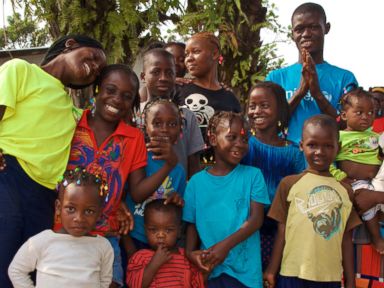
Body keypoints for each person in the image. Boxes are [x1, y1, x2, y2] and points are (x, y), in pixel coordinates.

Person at [0, 34, 107, 287]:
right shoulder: (21, 70)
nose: (94, 68)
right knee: (3, 260)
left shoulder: (71, 108)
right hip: (10, 174)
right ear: (70, 44)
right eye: (92, 57)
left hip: (46, 194)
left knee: (31, 270)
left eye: (97, 72)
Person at [66, 64, 179, 287]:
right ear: (97, 89)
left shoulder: (133, 137)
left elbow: (137, 193)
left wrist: (169, 165)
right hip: (64, 231)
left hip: (106, 235)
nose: (117, 99)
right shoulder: (72, 123)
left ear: (133, 103)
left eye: (127, 96)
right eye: (110, 90)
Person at [263, 114, 361, 288]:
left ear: (338, 148)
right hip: (292, 273)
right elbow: (282, 230)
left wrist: (351, 281)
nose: (319, 152)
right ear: (301, 146)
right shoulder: (289, 184)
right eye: (312, 145)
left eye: (328, 146)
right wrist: (271, 270)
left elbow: (346, 239)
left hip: (329, 277)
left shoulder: (345, 191)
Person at [183, 111, 270, 287]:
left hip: (246, 276)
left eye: (245, 140)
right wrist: (190, 253)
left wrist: (224, 247)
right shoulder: (195, 183)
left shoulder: (253, 176)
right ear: (213, 139)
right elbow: (191, 224)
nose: (240, 144)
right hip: (210, 271)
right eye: (232, 137)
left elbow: (255, 220)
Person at [266, 2, 358, 144]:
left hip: (328, 162)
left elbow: (349, 126)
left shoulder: (345, 78)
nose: (306, 34)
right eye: (299, 29)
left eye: (314, 27)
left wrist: (318, 95)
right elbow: (268, 125)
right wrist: (300, 92)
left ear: (326, 28)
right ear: (292, 34)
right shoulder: (275, 78)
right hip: (284, 160)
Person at [8, 168, 114, 288]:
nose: (79, 218)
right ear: (58, 207)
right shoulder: (42, 241)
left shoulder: (103, 246)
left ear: (99, 213)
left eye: (89, 211)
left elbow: (105, 282)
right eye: (71, 209)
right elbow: (16, 270)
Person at [241, 81, 306, 270]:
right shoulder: (244, 146)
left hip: (280, 233)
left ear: (280, 110)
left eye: (265, 105)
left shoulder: (294, 152)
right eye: (252, 106)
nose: (257, 111)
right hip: (245, 230)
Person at [125, 98, 185, 253]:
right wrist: (168, 165)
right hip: (133, 237)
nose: (164, 129)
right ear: (145, 127)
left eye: (172, 124)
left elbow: (177, 214)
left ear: (180, 130)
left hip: (162, 244)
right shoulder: (138, 157)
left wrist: (176, 201)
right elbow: (136, 195)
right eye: (157, 123)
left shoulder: (179, 171)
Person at [330, 88, 384, 254]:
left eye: (370, 112)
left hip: (376, 181)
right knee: (366, 200)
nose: (366, 117)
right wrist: (340, 177)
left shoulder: (376, 136)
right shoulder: (338, 136)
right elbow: (329, 161)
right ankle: (376, 238)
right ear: (344, 115)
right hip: (354, 181)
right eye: (359, 112)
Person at [137, 48, 204, 178]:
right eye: (156, 72)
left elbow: (194, 165)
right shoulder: (133, 113)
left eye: (169, 73)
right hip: (139, 193)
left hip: (177, 193)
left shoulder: (187, 116)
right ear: (143, 76)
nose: (163, 78)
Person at [179, 32, 241, 166]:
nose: (189, 58)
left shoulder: (230, 98)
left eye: (195, 51)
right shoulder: (179, 90)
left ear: (214, 54)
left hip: (218, 174)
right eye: (186, 54)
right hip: (182, 172)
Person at [126, 199, 205, 287]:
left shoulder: (187, 259)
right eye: (153, 230)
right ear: (145, 231)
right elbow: (134, 285)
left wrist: (205, 269)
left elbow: (198, 284)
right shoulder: (139, 258)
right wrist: (153, 265)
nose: (161, 235)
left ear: (179, 231)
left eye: (168, 230)